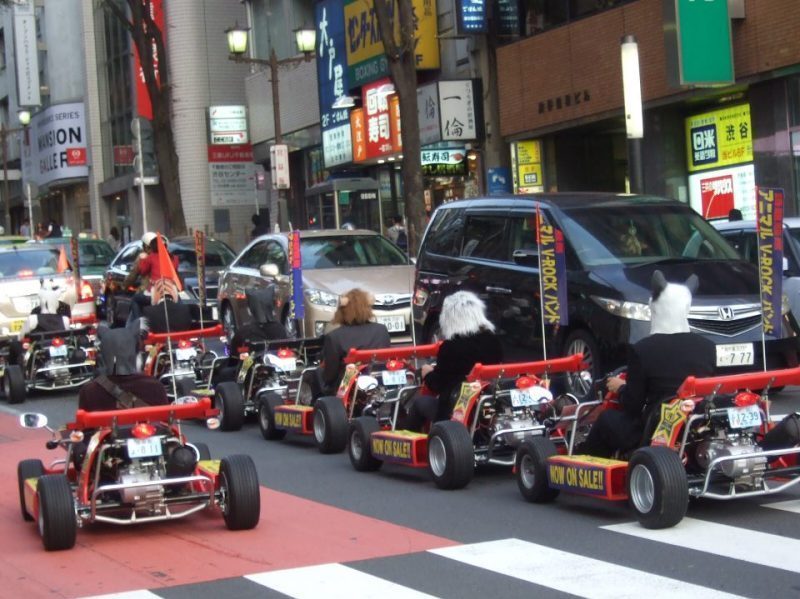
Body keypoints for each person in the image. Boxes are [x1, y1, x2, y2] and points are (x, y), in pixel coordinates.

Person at [577, 271, 716, 457]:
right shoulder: (707, 347)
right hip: (695, 425)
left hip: (653, 429)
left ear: (656, 308)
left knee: (606, 419)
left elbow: (633, 406)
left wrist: (620, 388)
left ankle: (589, 467)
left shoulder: (643, 349)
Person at [405, 291, 504, 431]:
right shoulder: (492, 341)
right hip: (487, 404)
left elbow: (437, 385)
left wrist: (427, 373)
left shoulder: (451, 347)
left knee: (420, 403)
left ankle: (414, 445)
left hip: (455, 411)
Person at [78, 323, 169, 411]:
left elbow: (85, 425)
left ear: (104, 356)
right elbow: (165, 423)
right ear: (135, 354)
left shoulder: (89, 392)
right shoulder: (155, 387)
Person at [318, 288, 391, 396]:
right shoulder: (381, 330)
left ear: (342, 311)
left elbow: (329, 376)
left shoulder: (334, 336)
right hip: (380, 381)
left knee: (317, 374)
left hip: (348, 387)